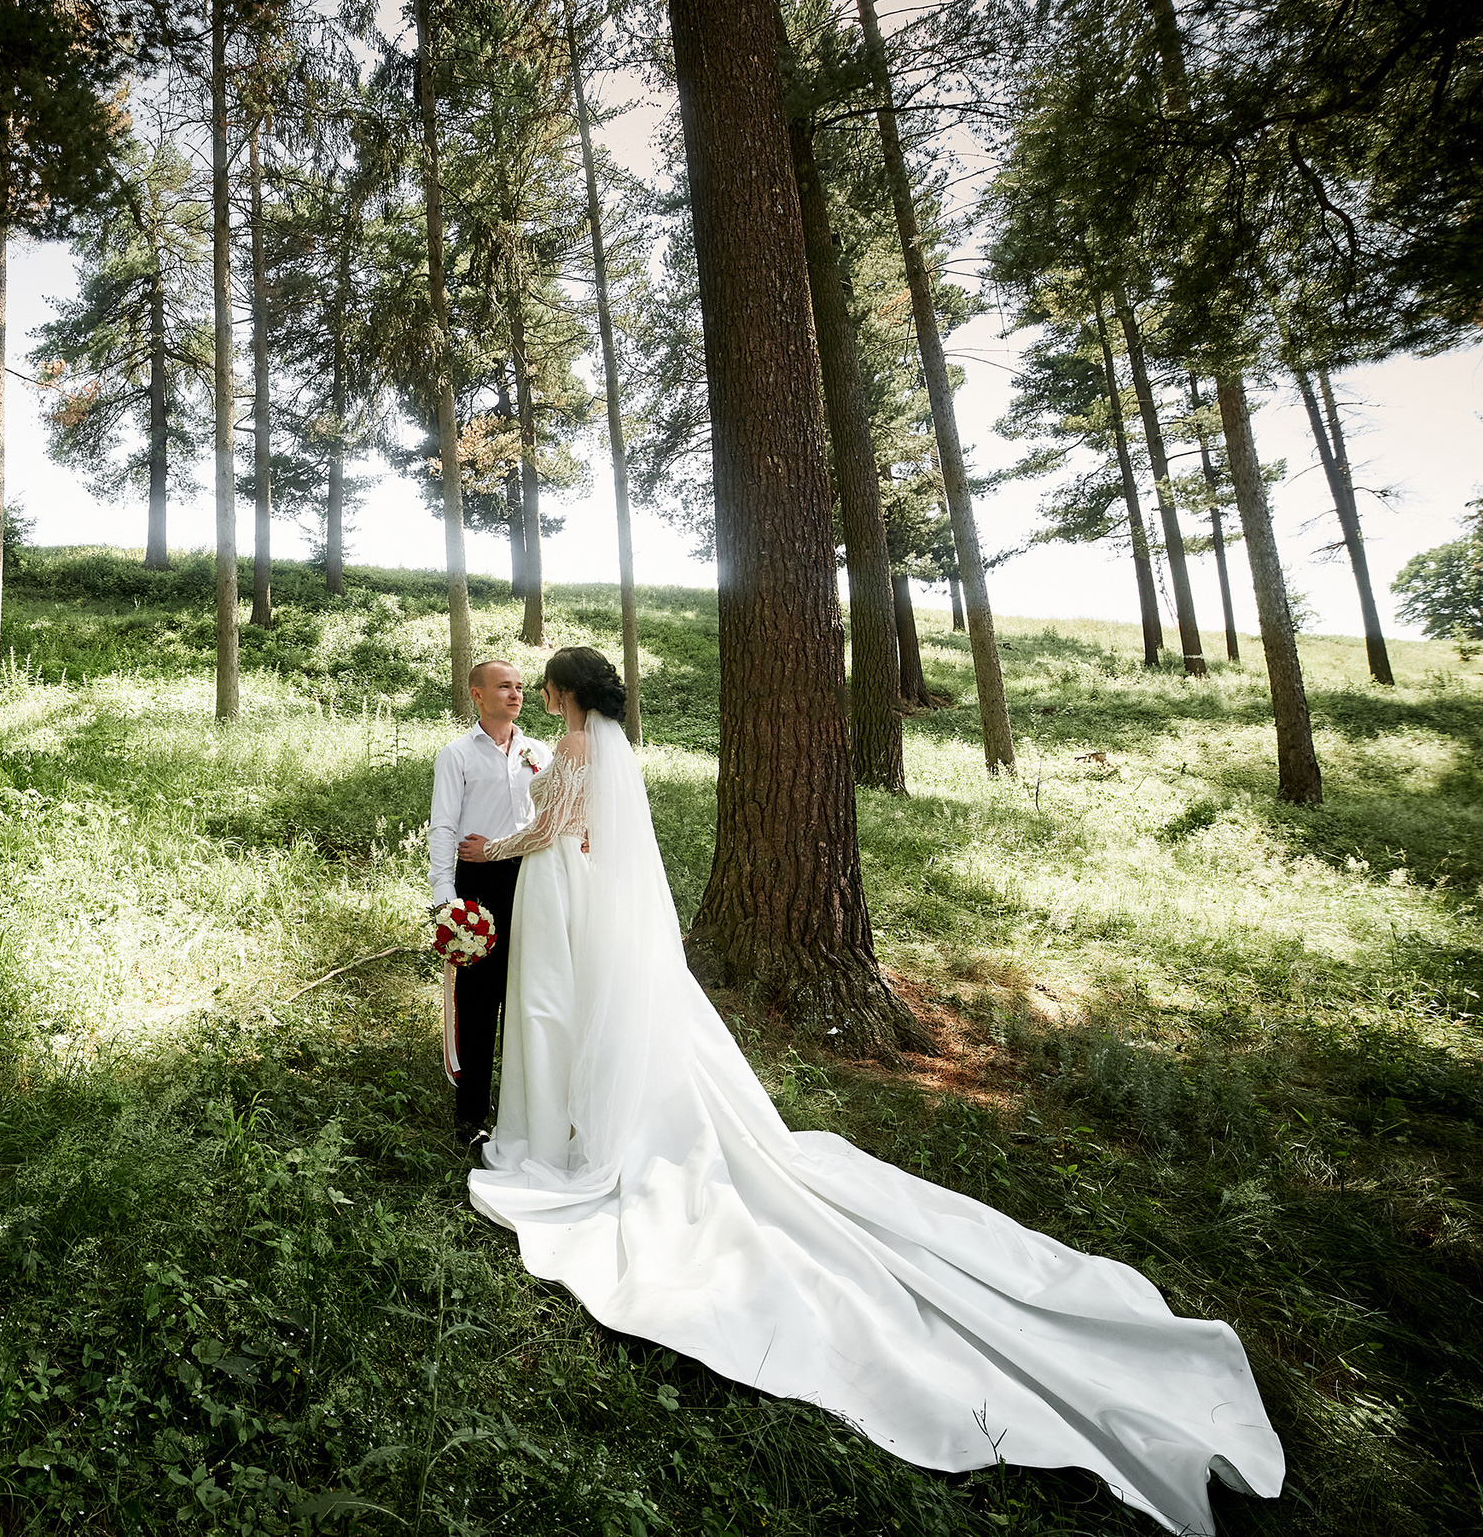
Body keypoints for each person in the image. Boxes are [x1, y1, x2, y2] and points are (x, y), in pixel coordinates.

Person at [458, 646, 1284, 1536]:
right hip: (583, 897)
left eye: (541, 682)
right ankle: (582, 1112)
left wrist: (488, 847)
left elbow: (549, 835)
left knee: (553, 1016)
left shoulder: (577, 752)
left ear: (562, 692)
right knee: (570, 1016)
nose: (534, 691)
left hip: (557, 891)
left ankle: (564, 1131)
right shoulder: (594, 748)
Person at [427, 659, 549, 1150]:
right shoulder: (456, 755)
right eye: (504, 686)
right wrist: (447, 901)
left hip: (534, 881)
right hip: (478, 882)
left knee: (529, 998)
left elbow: (551, 820)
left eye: (519, 687)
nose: (515, 694)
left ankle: (527, 1112)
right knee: (478, 1001)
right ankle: (472, 1112)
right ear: (477, 695)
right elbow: (444, 827)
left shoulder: (539, 753)